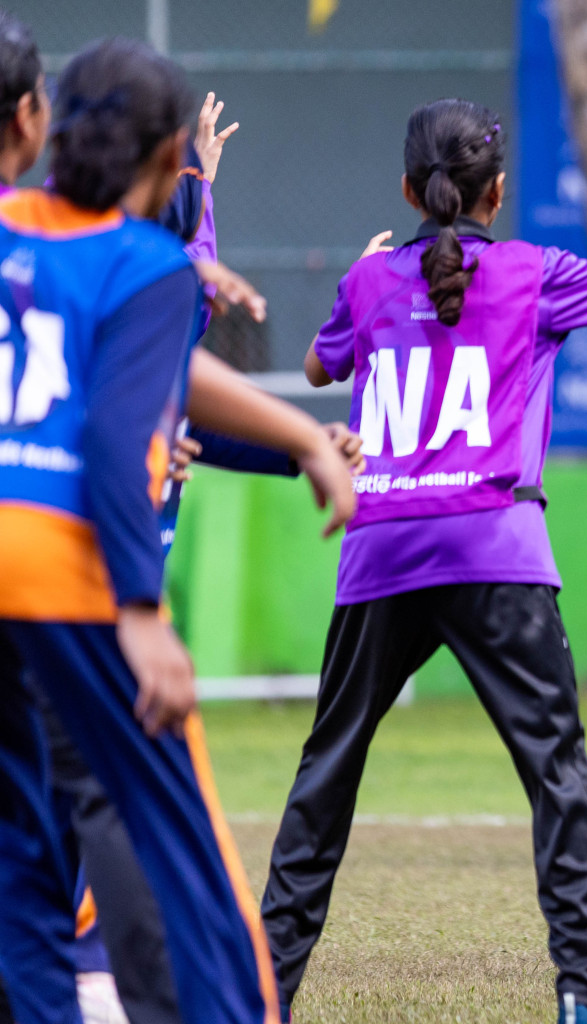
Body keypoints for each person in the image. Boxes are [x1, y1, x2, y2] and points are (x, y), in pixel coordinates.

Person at [260, 98, 587, 1024]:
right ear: (497, 192)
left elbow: (313, 369)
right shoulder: (532, 272)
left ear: (407, 189)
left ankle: (259, 989)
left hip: (382, 548)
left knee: (327, 773)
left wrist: (360, 275)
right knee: (555, 773)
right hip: (495, 544)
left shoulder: (372, 281)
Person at [0, 37, 357, 1024]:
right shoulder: (148, 267)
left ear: (48, 126)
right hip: (64, 585)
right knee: (176, 848)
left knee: (22, 865)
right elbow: (122, 439)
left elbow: (149, 375)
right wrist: (145, 612)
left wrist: (292, 434)